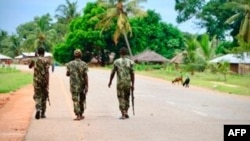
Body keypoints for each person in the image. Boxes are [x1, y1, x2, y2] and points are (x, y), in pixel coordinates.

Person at [108, 47, 135, 119]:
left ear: (120, 53)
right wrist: (133, 84)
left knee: (121, 97)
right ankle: (126, 111)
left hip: (120, 83)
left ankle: (123, 113)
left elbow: (113, 73)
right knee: (127, 97)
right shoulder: (130, 62)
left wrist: (110, 81)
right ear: (126, 53)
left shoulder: (116, 62)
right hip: (127, 83)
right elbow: (132, 74)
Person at [66, 49, 88, 121]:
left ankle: (77, 115)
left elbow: (67, 74)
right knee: (81, 100)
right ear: (81, 55)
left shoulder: (69, 64)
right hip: (82, 85)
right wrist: (87, 85)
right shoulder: (84, 64)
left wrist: (70, 72)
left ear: (74, 55)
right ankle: (81, 114)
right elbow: (85, 75)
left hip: (73, 85)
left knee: (75, 100)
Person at [29, 47, 50, 120]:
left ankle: (38, 108)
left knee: (37, 95)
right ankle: (43, 113)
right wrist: (47, 82)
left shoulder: (34, 59)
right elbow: (47, 72)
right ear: (44, 52)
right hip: (44, 81)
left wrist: (35, 57)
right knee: (44, 96)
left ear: (37, 52)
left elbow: (30, 66)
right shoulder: (46, 60)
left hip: (36, 81)